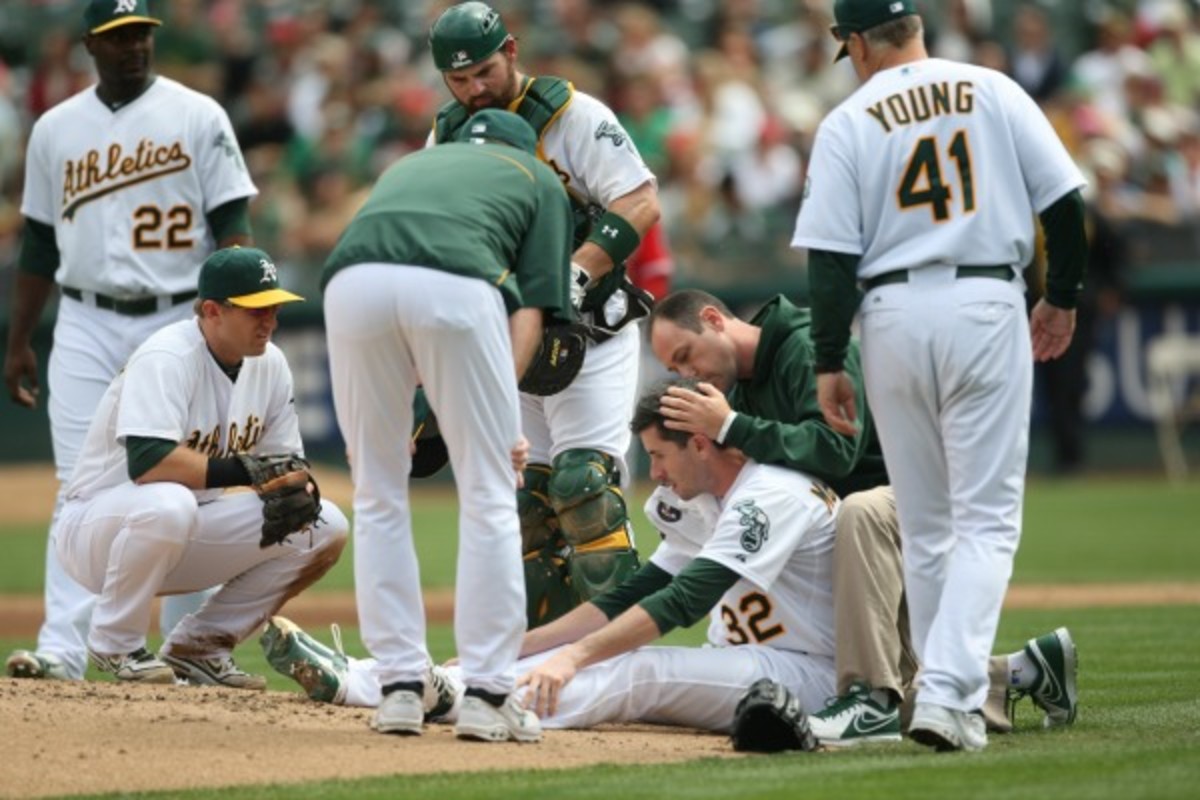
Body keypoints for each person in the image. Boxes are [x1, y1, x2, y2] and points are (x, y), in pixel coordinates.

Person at [792, 0, 1087, 751]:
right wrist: (1063, 296)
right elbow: (1063, 202)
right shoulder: (990, 87)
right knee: (985, 521)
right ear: (916, 25)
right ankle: (950, 694)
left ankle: (937, 692)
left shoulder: (848, 119)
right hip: (986, 300)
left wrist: (830, 359)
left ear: (856, 43)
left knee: (925, 528)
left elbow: (828, 260)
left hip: (890, 313)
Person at [266, 378, 839, 735]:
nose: (655, 474)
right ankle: (373, 677)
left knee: (635, 671)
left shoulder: (771, 496)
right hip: (749, 661)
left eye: (660, 456)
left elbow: (684, 601)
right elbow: (630, 594)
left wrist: (573, 657)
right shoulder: (699, 499)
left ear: (699, 442)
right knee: (577, 655)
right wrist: (526, 646)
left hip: (804, 673)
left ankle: (447, 698)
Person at [647, 289, 1077, 746]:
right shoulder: (741, 390)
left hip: (922, 501)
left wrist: (731, 427)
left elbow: (838, 452)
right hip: (858, 528)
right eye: (675, 369)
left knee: (861, 513)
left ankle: (866, 699)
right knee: (883, 675)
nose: (687, 374)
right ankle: (1028, 670)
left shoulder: (807, 346)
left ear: (714, 319)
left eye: (686, 356)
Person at [4, 0, 258, 682]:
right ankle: (62, 649)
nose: (133, 46)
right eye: (118, 37)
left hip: (179, 315)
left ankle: (190, 647)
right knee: (79, 488)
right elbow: (38, 241)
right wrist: (19, 339)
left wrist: (233, 317)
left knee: (195, 483)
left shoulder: (199, 115)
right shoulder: (57, 129)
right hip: (84, 318)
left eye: (142, 33)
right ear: (90, 43)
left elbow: (233, 224)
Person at [320, 109, 574, 742]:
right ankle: (488, 694)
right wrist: (497, 419)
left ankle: (400, 688)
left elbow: (396, 278)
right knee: (488, 491)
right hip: (459, 287)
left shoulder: (411, 163)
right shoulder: (538, 178)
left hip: (352, 285)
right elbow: (533, 313)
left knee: (378, 491)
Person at [427, 1, 662, 627]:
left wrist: (575, 273)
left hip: (592, 333)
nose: (475, 88)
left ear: (510, 51)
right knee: (526, 509)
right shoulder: (447, 134)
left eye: (482, 71)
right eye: (459, 79)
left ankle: (615, 651)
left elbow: (640, 202)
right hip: (514, 341)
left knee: (586, 491)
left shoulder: (575, 116)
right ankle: (545, 663)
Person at [51, 245, 348, 686]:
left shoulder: (271, 364)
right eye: (255, 310)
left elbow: (283, 463)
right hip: (98, 531)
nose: (270, 320)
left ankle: (202, 645)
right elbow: (148, 463)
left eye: (274, 307)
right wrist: (249, 472)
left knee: (324, 526)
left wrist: (294, 483)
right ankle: (116, 644)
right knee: (169, 503)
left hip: (184, 527)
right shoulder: (168, 357)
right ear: (212, 311)